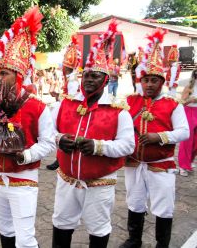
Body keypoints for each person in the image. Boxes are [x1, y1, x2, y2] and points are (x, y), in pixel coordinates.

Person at [0, 6, 56, 248]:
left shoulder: (36, 106)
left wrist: (26, 155)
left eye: (5, 73)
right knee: (5, 231)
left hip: (22, 179)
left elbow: (48, 143)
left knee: (25, 239)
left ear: (19, 76)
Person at [52, 20, 135, 248]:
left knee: (98, 228)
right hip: (67, 179)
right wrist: (60, 140)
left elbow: (128, 146)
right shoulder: (65, 104)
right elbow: (49, 132)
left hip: (100, 183)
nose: (89, 80)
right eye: (86, 75)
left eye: (95, 76)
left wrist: (99, 147)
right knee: (61, 223)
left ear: (106, 80)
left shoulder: (119, 112)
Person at [121, 28, 189, 248]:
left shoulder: (172, 104)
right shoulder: (130, 101)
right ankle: (134, 240)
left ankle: (162, 244)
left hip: (161, 164)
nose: (149, 84)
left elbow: (184, 132)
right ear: (140, 81)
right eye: (146, 80)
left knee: (163, 206)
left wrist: (157, 136)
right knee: (134, 202)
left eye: (154, 80)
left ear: (162, 81)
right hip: (134, 163)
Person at [47, 35, 80, 171]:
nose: (62, 69)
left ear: (67, 68)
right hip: (65, 108)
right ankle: (59, 158)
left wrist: (57, 95)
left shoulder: (72, 80)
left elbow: (71, 98)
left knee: (63, 133)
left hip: (69, 110)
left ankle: (60, 159)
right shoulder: (68, 78)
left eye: (64, 67)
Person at [177, 69, 197, 176]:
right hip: (189, 112)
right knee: (187, 140)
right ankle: (183, 166)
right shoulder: (189, 87)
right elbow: (182, 103)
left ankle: (190, 160)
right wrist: (190, 100)